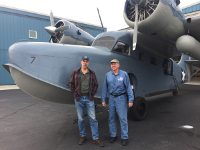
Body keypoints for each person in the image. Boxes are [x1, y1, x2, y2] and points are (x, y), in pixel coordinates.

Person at [69, 56, 104, 147]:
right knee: (80, 119)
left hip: (89, 99)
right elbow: (70, 84)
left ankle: (96, 138)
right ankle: (83, 136)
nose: (85, 62)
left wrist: (92, 94)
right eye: (84, 61)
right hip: (79, 99)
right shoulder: (75, 72)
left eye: (87, 61)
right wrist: (75, 94)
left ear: (88, 63)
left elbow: (96, 84)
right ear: (81, 62)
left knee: (93, 119)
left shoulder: (92, 73)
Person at [101, 59, 134, 146]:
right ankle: (113, 135)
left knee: (123, 119)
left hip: (121, 98)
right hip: (111, 98)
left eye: (115, 64)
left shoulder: (124, 74)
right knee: (111, 118)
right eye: (112, 64)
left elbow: (128, 88)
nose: (113, 65)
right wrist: (103, 99)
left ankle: (124, 137)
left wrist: (131, 99)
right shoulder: (108, 75)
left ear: (118, 65)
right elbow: (104, 88)